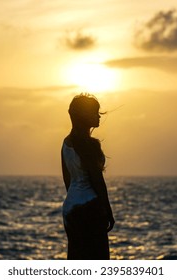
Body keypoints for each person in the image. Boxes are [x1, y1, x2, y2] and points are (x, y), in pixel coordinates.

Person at [61, 93, 115, 260]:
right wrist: (108, 210)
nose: (98, 116)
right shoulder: (89, 146)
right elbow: (97, 180)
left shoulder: (66, 143)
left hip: (70, 208)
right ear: (84, 116)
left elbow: (67, 180)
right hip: (90, 208)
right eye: (94, 112)